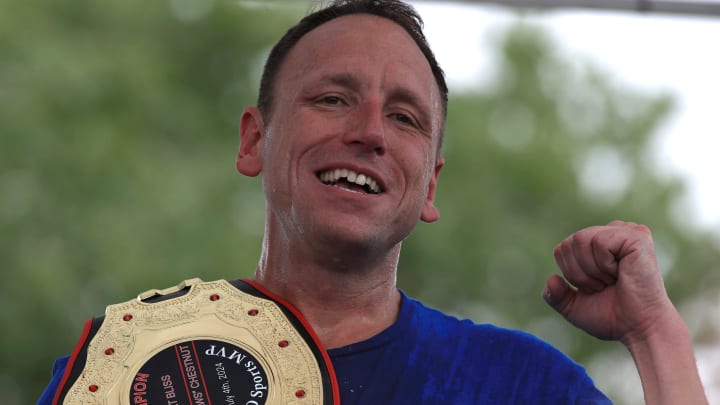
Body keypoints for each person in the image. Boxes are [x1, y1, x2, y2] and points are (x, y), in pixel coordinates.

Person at [39, 0, 708, 404]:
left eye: (406, 118)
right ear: (254, 140)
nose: (368, 133)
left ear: (430, 187)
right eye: (333, 99)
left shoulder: (522, 383)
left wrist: (655, 334)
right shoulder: (132, 363)